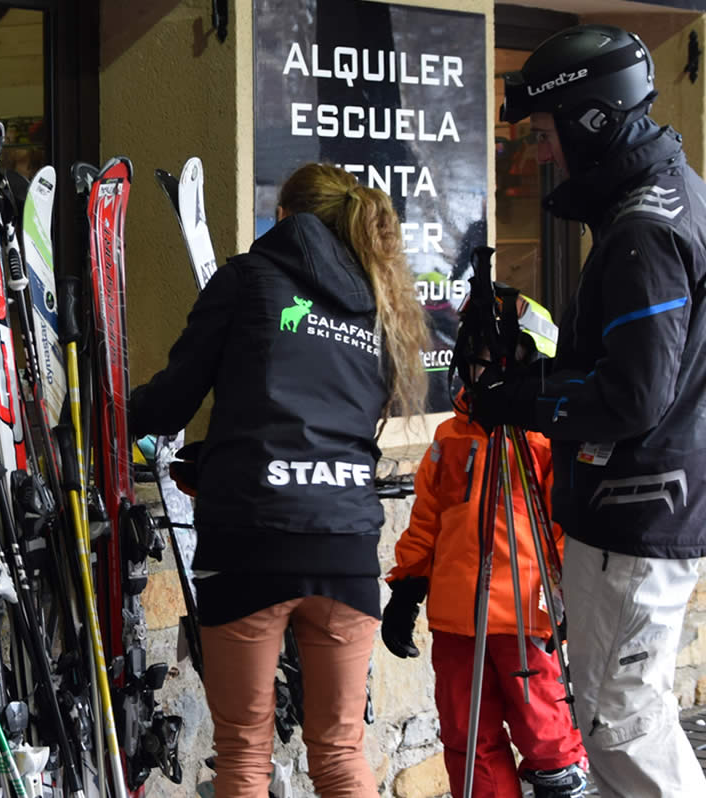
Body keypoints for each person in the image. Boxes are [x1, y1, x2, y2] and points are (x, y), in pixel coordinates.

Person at [129, 162, 430, 797]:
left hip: (251, 544)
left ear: (286, 219)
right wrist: (222, 458)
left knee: (243, 754)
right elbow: (323, 425)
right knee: (343, 750)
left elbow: (169, 405)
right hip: (345, 547)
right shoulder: (381, 302)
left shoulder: (247, 279)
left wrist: (100, 416)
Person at [473, 23, 706, 798]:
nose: (539, 153)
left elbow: (635, 395)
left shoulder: (643, 227)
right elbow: (631, 368)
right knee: (613, 722)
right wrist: (537, 374)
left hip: (636, 513)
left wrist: (527, 397)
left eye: (544, 133)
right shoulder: (665, 200)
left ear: (591, 120)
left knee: (623, 724)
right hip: (644, 509)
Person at [383, 294, 588, 798]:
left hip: (526, 617)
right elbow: (427, 519)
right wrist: (407, 588)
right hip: (457, 619)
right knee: (466, 737)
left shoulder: (544, 441)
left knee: (547, 737)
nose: (478, 370)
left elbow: (564, 525)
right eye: (471, 357)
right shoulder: (452, 438)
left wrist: (572, 602)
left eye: (490, 359)